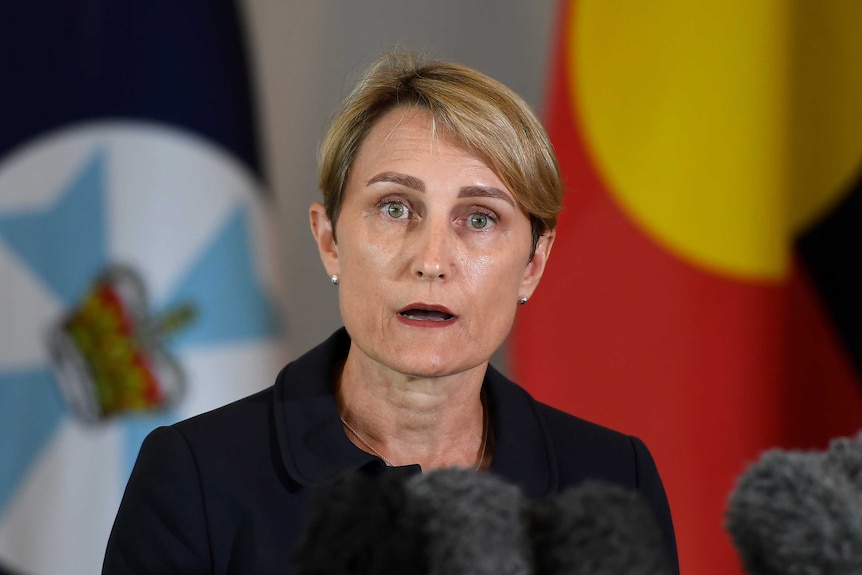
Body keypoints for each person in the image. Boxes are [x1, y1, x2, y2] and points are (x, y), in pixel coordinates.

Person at [103, 51, 679, 574]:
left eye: (479, 218)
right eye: (395, 207)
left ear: (532, 263)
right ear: (330, 240)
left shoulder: (611, 478)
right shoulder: (196, 479)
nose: (431, 261)